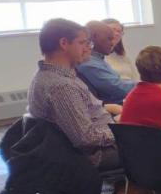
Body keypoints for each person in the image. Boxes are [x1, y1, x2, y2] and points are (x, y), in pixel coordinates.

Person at [27, 18, 119, 170]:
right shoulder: (62, 87)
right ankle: (139, 192)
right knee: (159, 145)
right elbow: (86, 138)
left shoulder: (52, 76)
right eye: (83, 43)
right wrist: (121, 130)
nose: (88, 48)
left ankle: (129, 189)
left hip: (88, 147)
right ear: (64, 44)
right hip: (93, 155)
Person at [77, 20, 137, 105]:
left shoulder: (99, 59)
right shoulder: (89, 62)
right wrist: (147, 86)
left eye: (119, 31)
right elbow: (117, 88)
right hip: (112, 107)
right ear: (94, 37)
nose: (112, 43)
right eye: (109, 39)